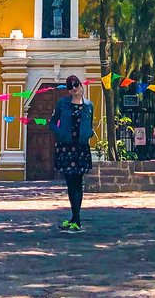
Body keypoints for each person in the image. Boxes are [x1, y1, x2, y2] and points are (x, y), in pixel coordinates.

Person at [49, 75, 94, 233]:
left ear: (81, 85)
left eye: (75, 85)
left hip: (81, 148)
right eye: (70, 87)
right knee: (71, 183)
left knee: (78, 183)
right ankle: (76, 220)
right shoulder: (63, 103)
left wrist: (89, 133)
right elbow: (52, 122)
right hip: (66, 148)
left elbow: (90, 123)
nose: (74, 89)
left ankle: (76, 220)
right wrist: (60, 133)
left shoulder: (89, 105)